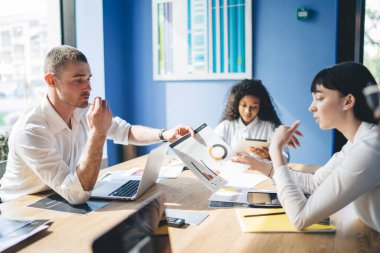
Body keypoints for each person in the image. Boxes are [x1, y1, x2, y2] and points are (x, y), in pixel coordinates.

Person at [0, 45, 194, 205]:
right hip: (21, 210)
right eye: (78, 81)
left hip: (59, 197)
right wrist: (98, 133)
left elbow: (126, 132)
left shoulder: (81, 109)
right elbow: (76, 195)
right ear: (51, 80)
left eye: (88, 79)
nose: (88, 88)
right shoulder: (32, 131)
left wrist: (164, 134)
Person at [233, 62, 380, 232]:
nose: (311, 108)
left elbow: (300, 217)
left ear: (348, 101)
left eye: (319, 98)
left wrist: (275, 151)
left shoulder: (369, 149)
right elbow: (315, 183)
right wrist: (259, 165)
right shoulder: (358, 142)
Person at [214, 79, 282, 149]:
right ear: (236, 104)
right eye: (244, 105)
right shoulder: (226, 126)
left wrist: (269, 156)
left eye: (254, 107)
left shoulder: (270, 127)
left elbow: (283, 154)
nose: (248, 111)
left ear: (261, 106)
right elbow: (211, 152)